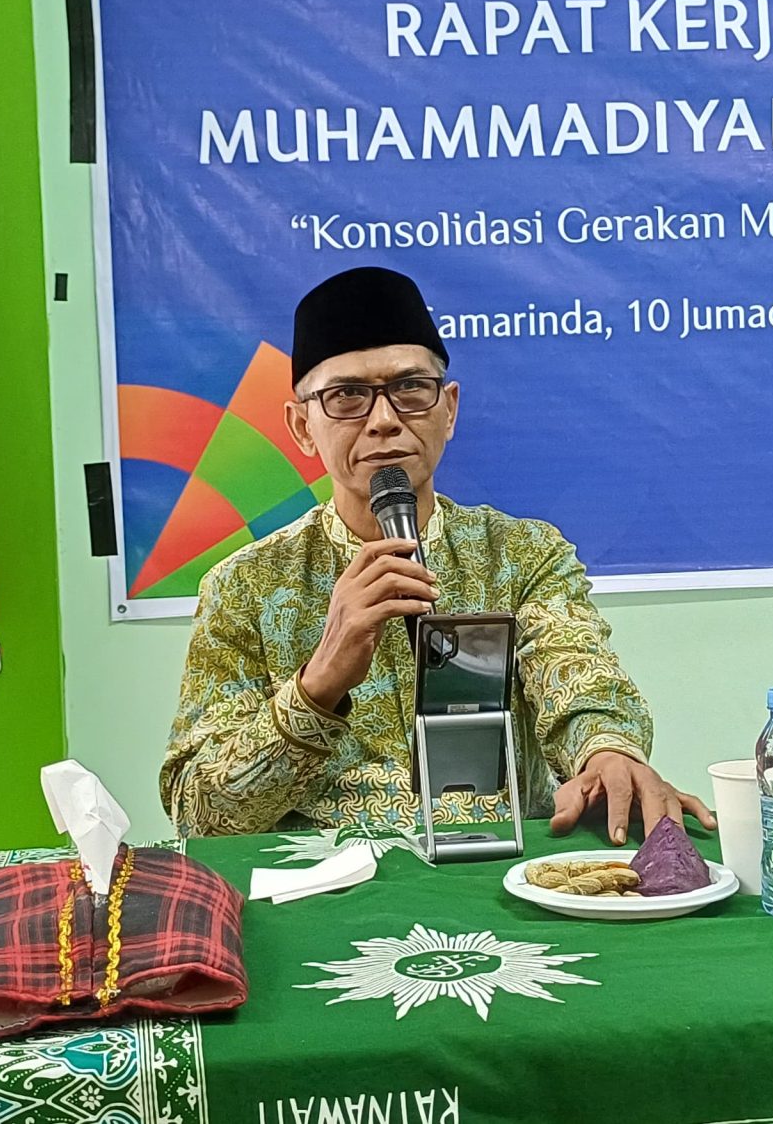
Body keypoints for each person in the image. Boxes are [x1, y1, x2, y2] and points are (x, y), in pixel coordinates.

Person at [163, 266, 712, 842]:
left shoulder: (521, 556)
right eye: (347, 396)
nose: (383, 421)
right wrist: (318, 683)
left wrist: (605, 753)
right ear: (302, 427)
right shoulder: (246, 586)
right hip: (325, 881)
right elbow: (201, 815)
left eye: (409, 389)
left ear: (448, 410)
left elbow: (577, 675)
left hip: (498, 873)